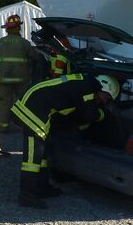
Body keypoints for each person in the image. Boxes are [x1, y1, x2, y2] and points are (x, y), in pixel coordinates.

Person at [11, 73, 120, 209]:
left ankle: (42, 187)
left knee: (42, 154)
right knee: (33, 158)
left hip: (38, 105)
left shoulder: (85, 84)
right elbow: (89, 114)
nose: (104, 101)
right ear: (103, 87)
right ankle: (27, 195)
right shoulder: (86, 89)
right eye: (106, 97)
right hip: (33, 107)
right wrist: (104, 115)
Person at [0, 14, 39, 147]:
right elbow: (35, 57)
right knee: (23, 102)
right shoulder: (25, 43)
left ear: (7, 29)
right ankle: (25, 125)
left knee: (4, 102)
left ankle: (3, 126)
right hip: (22, 78)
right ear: (18, 28)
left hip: (5, 78)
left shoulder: (1, 42)